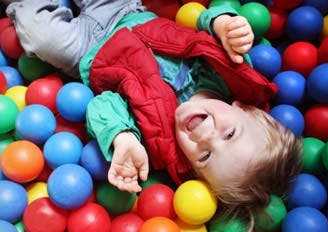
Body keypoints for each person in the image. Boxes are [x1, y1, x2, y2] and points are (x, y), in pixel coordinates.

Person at [4, 0, 303, 229]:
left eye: (206, 157)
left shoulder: (157, 142)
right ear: (243, 108)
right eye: (230, 134)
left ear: (192, 170)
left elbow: (102, 104)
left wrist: (122, 138)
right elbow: (206, 20)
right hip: (126, 10)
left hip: (86, 52)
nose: (206, 137)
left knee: (42, 37)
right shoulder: (230, 72)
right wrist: (225, 23)